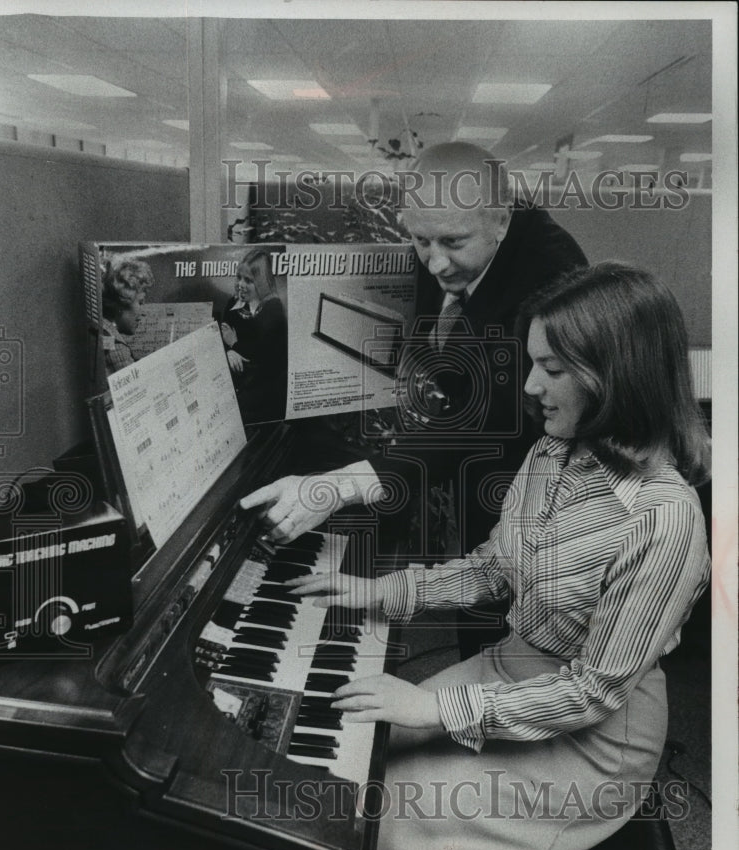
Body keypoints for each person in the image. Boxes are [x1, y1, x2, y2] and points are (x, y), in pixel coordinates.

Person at [286, 262, 711, 850]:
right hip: (507, 673)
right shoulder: (552, 451)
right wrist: (382, 592)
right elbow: (493, 569)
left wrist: (429, 705)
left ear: (615, 375)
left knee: (375, 823)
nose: (529, 387)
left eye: (550, 368)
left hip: (591, 740)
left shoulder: (666, 520)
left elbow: (593, 692)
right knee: (355, 765)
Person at [240, 141, 587, 655]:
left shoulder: (550, 273)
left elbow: (496, 409)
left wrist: (351, 483)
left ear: (501, 221)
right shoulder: (449, 245)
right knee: (479, 614)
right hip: (470, 468)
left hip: (538, 478)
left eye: (452, 241)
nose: (436, 263)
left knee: (516, 632)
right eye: (421, 240)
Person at [221, 248, 288, 424]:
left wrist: (235, 345)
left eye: (248, 280)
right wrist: (229, 352)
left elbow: (265, 360)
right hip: (235, 382)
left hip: (263, 394)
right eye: (239, 277)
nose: (240, 285)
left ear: (262, 282)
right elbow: (222, 338)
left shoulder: (273, 309)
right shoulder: (233, 303)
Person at [101, 255, 154, 375]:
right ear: (121, 303)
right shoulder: (114, 345)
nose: (143, 312)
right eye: (140, 302)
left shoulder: (104, 329)